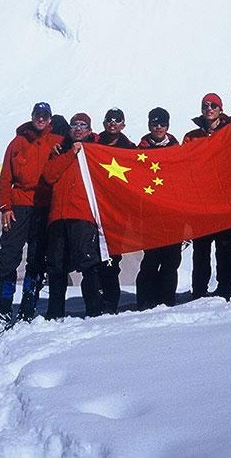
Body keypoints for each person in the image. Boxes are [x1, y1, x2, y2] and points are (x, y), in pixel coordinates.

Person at [0, 102, 64, 333]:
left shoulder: (57, 142)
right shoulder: (18, 143)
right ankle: (2, 310)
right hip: (19, 206)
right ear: (32, 117)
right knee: (8, 256)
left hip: (44, 206)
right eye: (38, 115)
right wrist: (5, 207)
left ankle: (28, 308)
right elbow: (5, 178)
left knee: (38, 258)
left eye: (45, 116)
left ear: (50, 119)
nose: (41, 119)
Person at [43, 112, 101, 319]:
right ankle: (54, 312)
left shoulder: (96, 152)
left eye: (83, 125)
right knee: (57, 267)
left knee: (88, 264)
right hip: (58, 217)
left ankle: (94, 310)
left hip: (82, 215)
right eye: (75, 125)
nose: (78, 129)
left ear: (89, 130)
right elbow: (50, 176)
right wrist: (69, 153)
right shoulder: (60, 152)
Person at [183, 92, 231, 300]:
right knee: (201, 249)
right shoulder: (192, 136)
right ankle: (199, 289)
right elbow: (183, 165)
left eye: (214, 105)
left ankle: (224, 287)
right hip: (201, 201)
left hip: (223, 200)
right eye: (205, 105)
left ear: (220, 109)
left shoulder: (230, 132)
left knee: (224, 247)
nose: (209, 108)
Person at [135, 107, 182, 309]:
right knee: (151, 257)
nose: (159, 127)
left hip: (172, 212)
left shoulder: (177, 148)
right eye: (155, 123)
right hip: (150, 212)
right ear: (149, 125)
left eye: (162, 124)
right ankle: (146, 299)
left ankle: (167, 298)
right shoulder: (140, 150)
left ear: (168, 125)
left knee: (172, 258)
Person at [93, 108, 135, 313]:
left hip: (118, 211)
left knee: (112, 258)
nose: (112, 123)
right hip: (95, 209)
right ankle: (96, 298)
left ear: (123, 125)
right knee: (94, 258)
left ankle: (111, 300)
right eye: (109, 120)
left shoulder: (130, 149)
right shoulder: (92, 146)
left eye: (117, 120)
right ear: (104, 123)